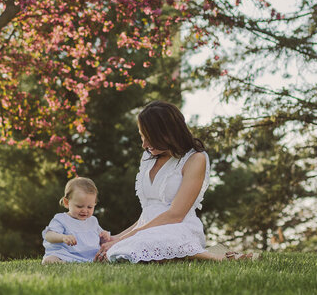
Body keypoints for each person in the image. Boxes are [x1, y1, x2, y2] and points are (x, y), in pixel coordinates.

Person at [94, 101, 252, 263]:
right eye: (142, 136)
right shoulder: (148, 158)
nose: (144, 145)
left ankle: (216, 258)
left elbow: (175, 215)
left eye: (149, 138)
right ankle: (195, 255)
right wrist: (116, 238)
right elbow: (148, 214)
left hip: (177, 227)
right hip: (146, 229)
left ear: (169, 133)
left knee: (139, 246)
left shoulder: (195, 159)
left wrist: (123, 239)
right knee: (118, 250)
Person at [42, 177, 111, 264]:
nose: (85, 210)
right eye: (79, 206)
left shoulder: (93, 220)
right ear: (67, 203)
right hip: (67, 255)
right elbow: (48, 236)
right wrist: (63, 237)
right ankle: (64, 262)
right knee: (49, 260)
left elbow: (101, 238)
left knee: (109, 255)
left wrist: (104, 236)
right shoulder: (61, 219)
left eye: (90, 207)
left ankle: (94, 261)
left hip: (91, 256)